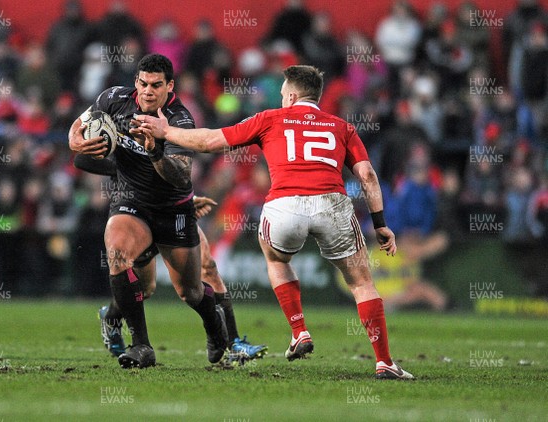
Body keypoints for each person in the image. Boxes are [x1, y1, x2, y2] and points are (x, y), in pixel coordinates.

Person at [138, 65, 414, 379]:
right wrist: (380, 223)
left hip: (285, 205)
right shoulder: (342, 127)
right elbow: (366, 175)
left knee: (275, 257)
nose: (281, 97)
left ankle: (299, 331)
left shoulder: (270, 119)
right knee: (362, 282)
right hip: (333, 205)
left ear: (293, 95)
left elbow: (209, 140)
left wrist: (165, 132)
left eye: (283, 93)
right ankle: (384, 362)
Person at [68, 54, 227, 369]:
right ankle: (141, 346)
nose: (148, 91)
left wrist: (155, 149)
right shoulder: (114, 99)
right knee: (117, 255)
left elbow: (181, 175)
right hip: (131, 202)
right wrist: (75, 140)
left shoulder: (179, 120)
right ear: (136, 82)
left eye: (156, 85)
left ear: (170, 86)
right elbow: (81, 122)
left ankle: (215, 325)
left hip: (173, 209)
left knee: (191, 292)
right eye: (142, 83)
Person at [73, 153, 268, 362]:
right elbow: (82, 160)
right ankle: (112, 318)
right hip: (137, 214)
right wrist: (128, 169)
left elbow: (175, 169)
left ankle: (234, 343)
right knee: (144, 289)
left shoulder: (173, 124)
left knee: (207, 269)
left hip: (175, 211)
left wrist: (187, 198)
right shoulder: (122, 127)